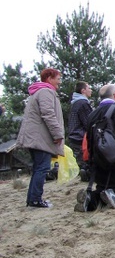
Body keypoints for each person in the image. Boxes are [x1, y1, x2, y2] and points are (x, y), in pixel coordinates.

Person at [17, 68, 65, 208]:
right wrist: (57, 134)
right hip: (40, 138)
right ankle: (36, 200)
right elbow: (48, 114)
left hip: (35, 137)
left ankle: (33, 199)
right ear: (49, 78)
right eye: (58, 78)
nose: (59, 82)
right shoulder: (46, 92)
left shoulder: (39, 92)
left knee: (39, 168)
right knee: (42, 168)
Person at [67, 81, 93, 181]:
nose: (90, 90)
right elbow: (89, 122)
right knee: (86, 162)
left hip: (74, 137)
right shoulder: (83, 103)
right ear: (83, 91)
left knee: (81, 162)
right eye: (88, 88)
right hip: (81, 138)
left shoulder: (75, 103)